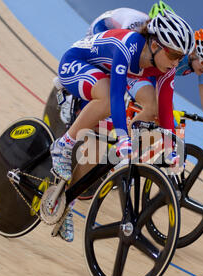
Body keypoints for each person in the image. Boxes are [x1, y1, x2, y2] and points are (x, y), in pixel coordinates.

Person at [42, 10, 195, 242]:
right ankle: (63, 145)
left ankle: (66, 203)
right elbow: (115, 96)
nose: (176, 62)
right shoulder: (129, 45)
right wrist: (123, 136)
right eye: (173, 54)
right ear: (154, 45)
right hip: (76, 63)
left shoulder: (166, 68)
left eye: (181, 57)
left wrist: (172, 147)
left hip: (105, 74)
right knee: (105, 100)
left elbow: (165, 109)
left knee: (139, 117)